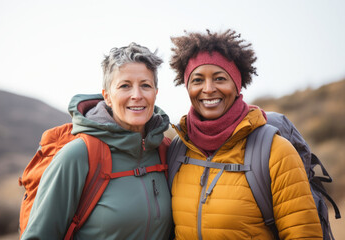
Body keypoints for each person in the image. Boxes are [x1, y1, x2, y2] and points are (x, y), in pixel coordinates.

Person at [167, 29, 323, 239]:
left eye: (220, 78)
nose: (208, 89)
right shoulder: (178, 149)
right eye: (197, 80)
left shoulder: (275, 151)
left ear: (236, 84)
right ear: (187, 86)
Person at [21, 43, 173, 239]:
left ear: (155, 93)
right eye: (125, 86)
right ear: (107, 97)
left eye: (145, 85)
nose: (137, 95)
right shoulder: (78, 155)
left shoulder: (165, 151)